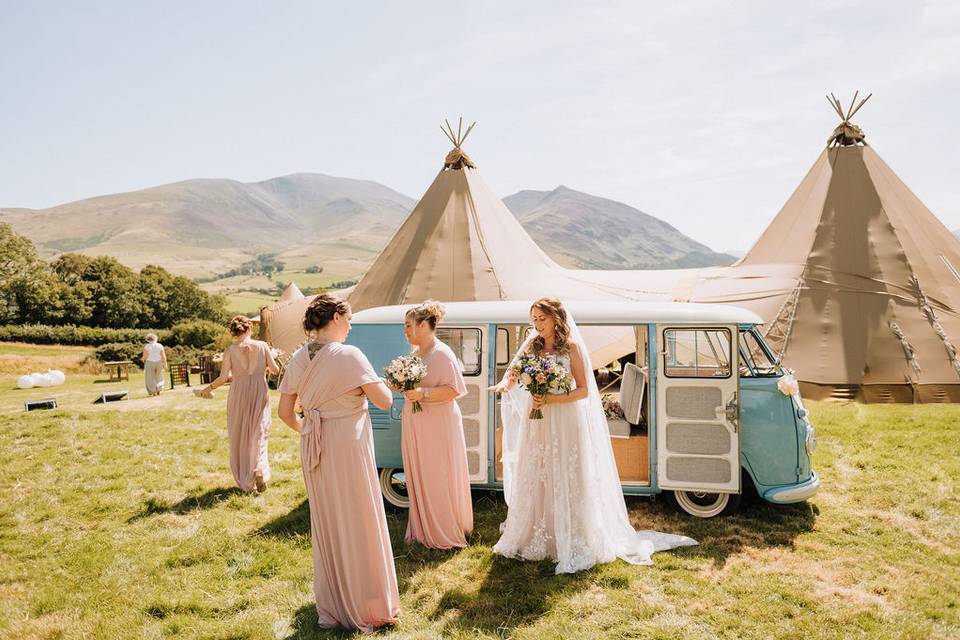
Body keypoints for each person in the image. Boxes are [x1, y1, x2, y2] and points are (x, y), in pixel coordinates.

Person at [489, 298, 697, 574]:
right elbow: (514, 372)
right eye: (534, 319)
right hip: (537, 416)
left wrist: (551, 398)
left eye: (542, 318)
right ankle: (537, 532)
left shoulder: (571, 347)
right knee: (538, 469)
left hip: (563, 416)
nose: (537, 324)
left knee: (565, 470)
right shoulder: (531, 344)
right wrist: (505, 383)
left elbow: (585, 391)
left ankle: (571, 534)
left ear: (556, 318)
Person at [277, 294, 400, 632]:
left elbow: (285, 413)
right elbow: (384, 400)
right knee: (359, 516)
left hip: (314, 447)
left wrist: (311, 430)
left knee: (328, 520)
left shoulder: (298, 358)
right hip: (348, 445)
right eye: (348, 319)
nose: (350, 326)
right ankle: (367, 603)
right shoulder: (350, 355)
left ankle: (332, 606)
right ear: (334, 317)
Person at [394, 301, 472, 548]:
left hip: (438, 424)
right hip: (418, 422)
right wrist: (399, 385)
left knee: (437, 472)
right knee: (420, 471)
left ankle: (443, 528)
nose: (405, 330)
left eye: (408, 325)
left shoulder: (442, 353)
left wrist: (423, 394)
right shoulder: (416, 354)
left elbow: (454, 389)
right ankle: (423, 527)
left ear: (424, 325)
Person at [199, 316, 278, 493]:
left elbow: (223, 377)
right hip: (259, 390)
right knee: (260, 430)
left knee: (241, 433)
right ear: (249, 329)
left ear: (234, 332)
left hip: (239, 392)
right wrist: (269, 359)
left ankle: (246, 476)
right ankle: (258, 467)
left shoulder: (230, 350)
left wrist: (207, 389)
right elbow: (275, 370)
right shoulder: (262, 346)